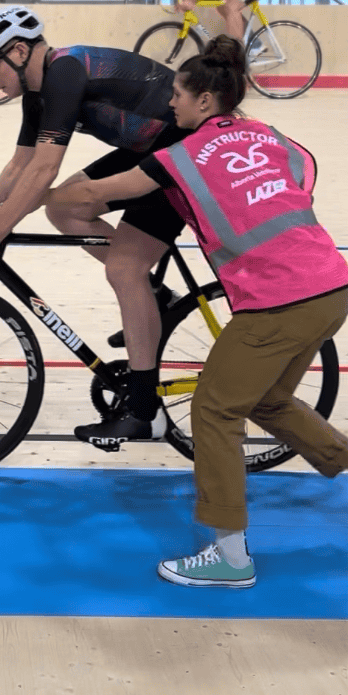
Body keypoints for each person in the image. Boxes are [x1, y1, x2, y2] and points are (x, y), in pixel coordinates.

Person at [58, 35, 348, 588]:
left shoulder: (181, 155)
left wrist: (37, 198)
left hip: (277, 302)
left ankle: (231, 556)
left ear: (205, 102)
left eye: (178, 96)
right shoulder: (267, 134)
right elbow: (304, 171)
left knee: (214, 411)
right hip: (331, 285)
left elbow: (95, 194)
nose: (170, 104)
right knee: (266, 398)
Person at [0, 5, 193, 446]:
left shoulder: (65, 72)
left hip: (182, 153)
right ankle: (156, 296)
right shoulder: (38, 93)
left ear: (19, 51)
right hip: (149, 148)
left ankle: (144, 411)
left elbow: (45, 170)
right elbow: (21, 164)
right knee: (63, 210)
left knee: (122, 269)